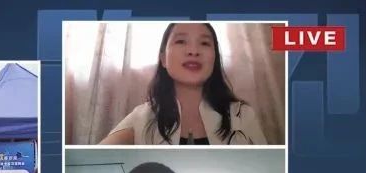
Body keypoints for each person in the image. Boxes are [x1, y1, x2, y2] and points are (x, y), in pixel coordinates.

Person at [99, 23, 267, 146]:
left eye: (204, 43)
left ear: (215, 58)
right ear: (163, 59)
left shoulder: (242, 114)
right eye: (181, 41)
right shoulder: (141, 117)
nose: (193, 51)